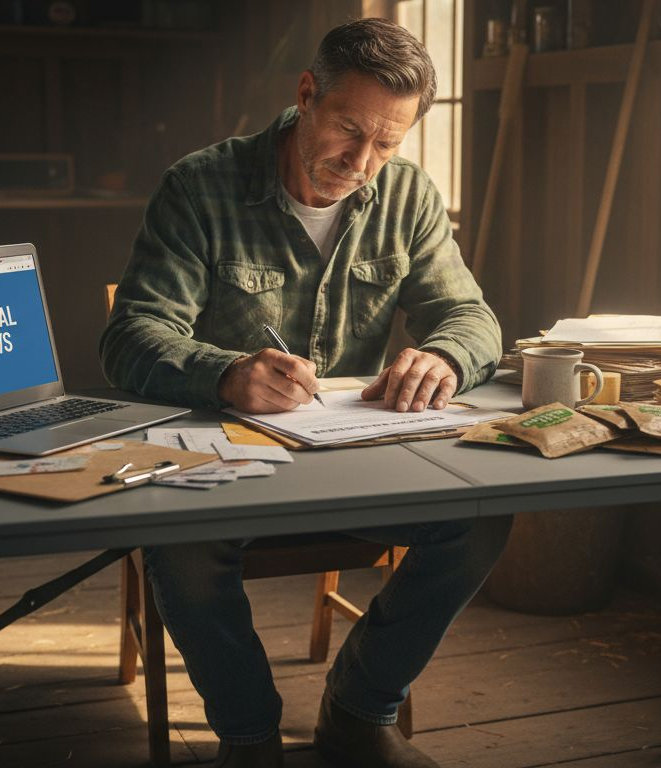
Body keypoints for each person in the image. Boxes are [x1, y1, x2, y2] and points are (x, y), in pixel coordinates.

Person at [101, 18, 510, 768]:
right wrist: (224, 374)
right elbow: (129, 337)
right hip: (225, 462)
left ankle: (359, 712)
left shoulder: (408, 197)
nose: (362, 162)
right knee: (182, 547)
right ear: (306, 94)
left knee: (480, 517)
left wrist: (445, 357)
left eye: (388, 144)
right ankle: (249, 736)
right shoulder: (200, 186)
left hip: (357, 457)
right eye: (349, 131)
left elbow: (470, 316)